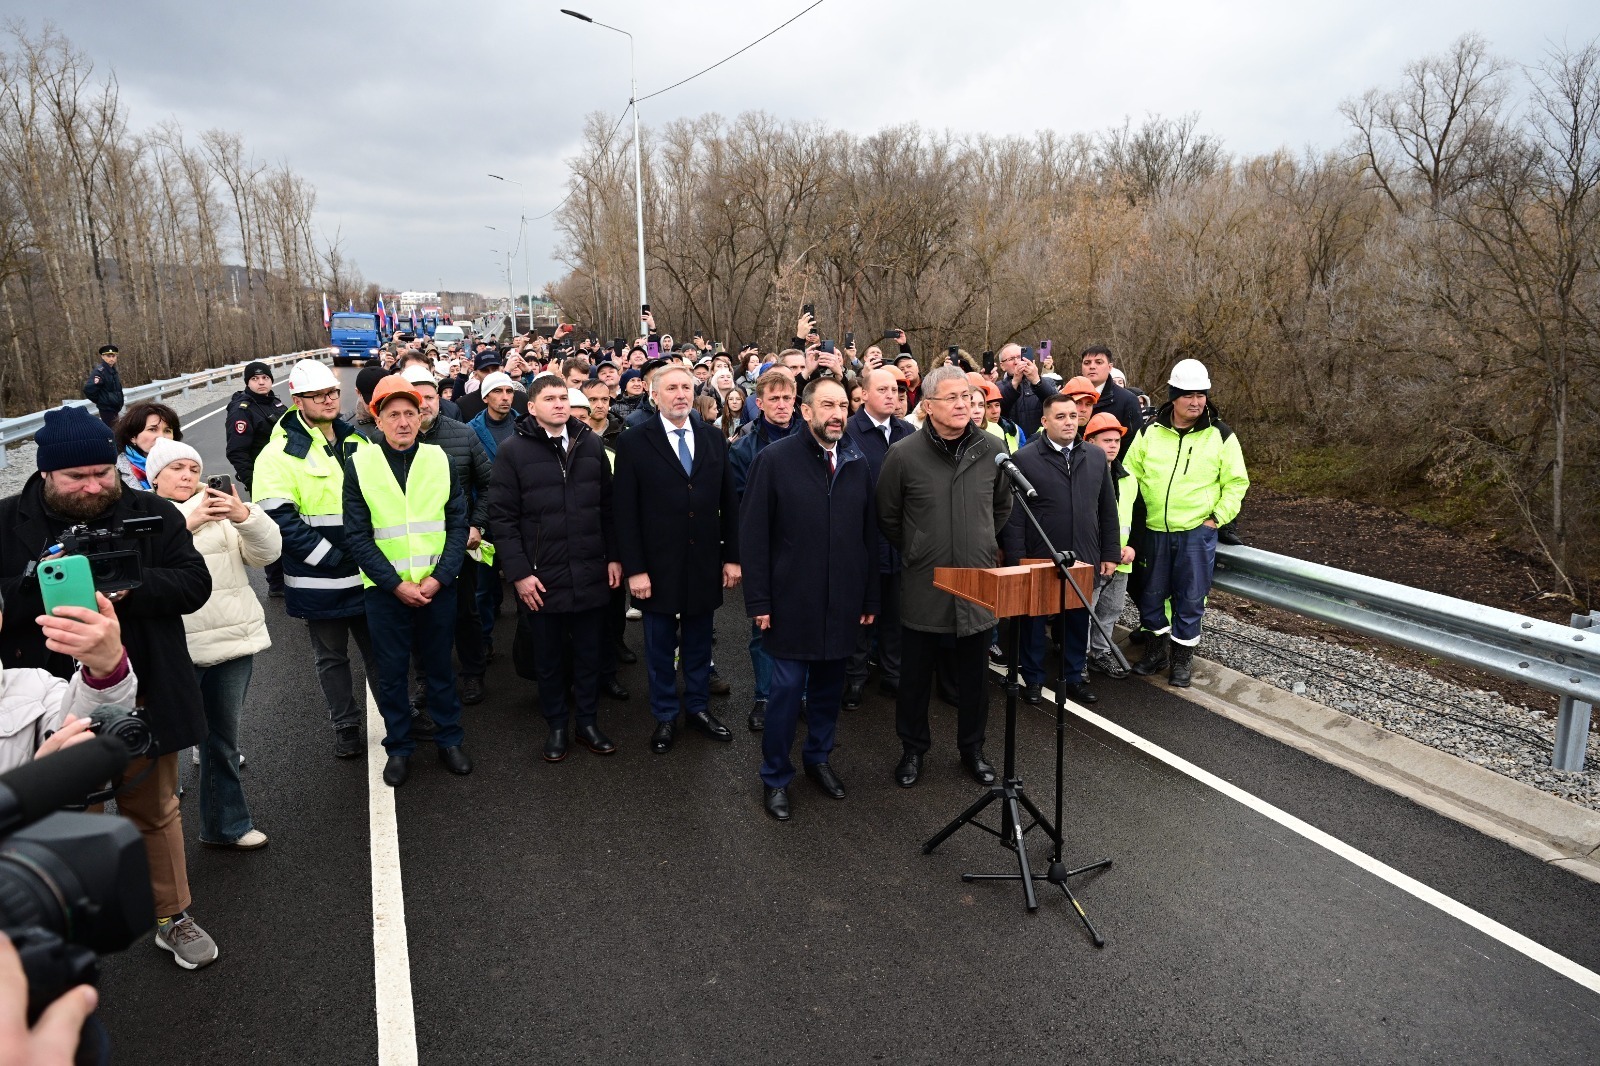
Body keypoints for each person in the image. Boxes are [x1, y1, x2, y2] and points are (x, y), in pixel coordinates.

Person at [0, 405, 216, 969]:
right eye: (77, 477)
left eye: (104, 472)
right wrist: (46, 583)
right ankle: (68, 933)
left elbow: (195, 583)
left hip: (145, 691)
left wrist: (126, 586)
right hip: (48, 703)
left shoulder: (151, 511)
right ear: (46, 473)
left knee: (156, 810)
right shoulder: (5, 522)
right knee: (67, 824)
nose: (95, 486)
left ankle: (173, 915)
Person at [741, 377, 878, 821]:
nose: (837, 413)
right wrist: (759, 602)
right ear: (806, 411)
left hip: (842, 602)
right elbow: (754, 536)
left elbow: (868, 537)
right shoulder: (773, 460)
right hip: (791, 602)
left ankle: (818, 758)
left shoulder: (856, 461)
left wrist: (869, 595)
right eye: (827, 405)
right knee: (783, 692)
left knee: (827, 691)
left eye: (843, 405)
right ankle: (775, 776)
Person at [875, 366, 1010, 788]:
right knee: (915, 677)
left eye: (968, 397)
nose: (963, 404)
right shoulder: (903, 453)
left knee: (975, 678)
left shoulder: (993, 448)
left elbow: (1002, 507)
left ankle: (973, 749)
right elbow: (888, 516)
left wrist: (982, 545)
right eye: (952, 398)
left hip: (976, 580)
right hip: (924, 580)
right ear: (927, 406)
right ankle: (913, 750)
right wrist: (919, 548)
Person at [146, 438, 281, 850]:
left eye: (192, 469)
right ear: (155, 478)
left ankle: (227, 824)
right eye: (175, 469)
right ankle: (153, 842)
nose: (187, 476)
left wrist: (245, 515)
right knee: (158, 750)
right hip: (172, 648)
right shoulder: (143, 514)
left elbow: (268, 554)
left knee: (221, 742)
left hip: (230, 639)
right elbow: (141, 562)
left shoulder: (218, 507)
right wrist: (190, 519)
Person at [343, 376, 471, 786]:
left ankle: (450, 739)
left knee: (438, 668)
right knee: (393, 672)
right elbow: (358, 536)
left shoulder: (440, 460)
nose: (403, 422)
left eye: (410, 413)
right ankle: (399, 747)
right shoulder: (360, 464)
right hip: (386, 591)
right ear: (377, 420)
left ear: (422, 417)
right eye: (393, 414)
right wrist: (394, 584)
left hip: (437, 586)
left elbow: (457, 526)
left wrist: (440, 577)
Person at [488, 375, 621, 761]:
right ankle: (557, 726)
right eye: (550, 399)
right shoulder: (513, 452)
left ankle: (588, 724)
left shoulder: (591, 445)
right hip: (541, 577)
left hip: (591, 570)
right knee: (548, 659)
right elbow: (503, 518)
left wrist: (614, 556)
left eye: (564, 398)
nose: (560, 405)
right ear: (532, 407)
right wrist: (519, 573)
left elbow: (608, 508)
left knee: (589, 654)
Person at [251, 359, 376, 758]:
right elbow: (278, 519)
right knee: (331, 658)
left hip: (369, 573)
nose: (328, 399)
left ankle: (399, 713)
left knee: (384, 651)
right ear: (297, 399)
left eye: (332, 392)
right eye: (318, 394)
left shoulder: (359, 441)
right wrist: (331, 556)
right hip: (320, 578)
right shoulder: (278, 453)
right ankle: (345, 726)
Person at [613, 363, 741, 754]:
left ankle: (698, 708)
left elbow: (729, 503)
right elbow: (624, 511)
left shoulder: (713, 439)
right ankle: (665, 714)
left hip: (703, 560)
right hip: (656, 565)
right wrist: (635, 569)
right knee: (659, 644)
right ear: (655, 395)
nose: (681, 394)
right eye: (671, 388)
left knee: (701, 641)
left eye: (687, 387)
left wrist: (732, 558)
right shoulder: (634, 441)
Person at [1122, 358, 1249, 687]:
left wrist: (1216, 519)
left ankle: (1181, 659)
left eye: (1201, 395)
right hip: (1152, 529)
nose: (1196, 402)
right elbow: (1129, 474)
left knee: (1191, 597)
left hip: (1195, 532)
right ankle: (1155, 651)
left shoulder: (1220, 434)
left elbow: (1237, 483)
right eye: (1189, 395)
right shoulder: (1150, 431)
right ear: (1173, 396)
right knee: (1151, 594)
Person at [999, 395, 1120, 705]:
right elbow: (1014, 519)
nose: (1069, 421)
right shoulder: (1024, 459)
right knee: (1034, 623)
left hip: (1084, 554)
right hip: (1039, 555)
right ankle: (1034, 678)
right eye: (1061, 416)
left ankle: (1074, 676)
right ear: (1045, 422)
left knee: (1077, 620)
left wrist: (1109, 552)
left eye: (1072, 415)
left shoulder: (1094, 457)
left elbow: (1107, 508)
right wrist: (1017, 561)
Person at [399, 365, 494, 707]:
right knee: (418, 614)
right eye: (415, 398)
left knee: (465, 611)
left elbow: (488, 485)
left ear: (439, 399)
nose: (422, 404)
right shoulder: (388, 443)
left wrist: (476, 524)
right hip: (411, 549)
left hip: (458, 543)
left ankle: (472, 672)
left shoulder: (464, 435)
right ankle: (425, 677)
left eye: (428, 396)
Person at [728, 369, 798, 732]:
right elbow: (742, 505)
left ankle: (801, 695)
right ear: (760, 403)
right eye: (775, 399)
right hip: (767, 549)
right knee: (764, 627)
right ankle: (765, 695)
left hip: (806, 547)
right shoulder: (743, 447)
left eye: (788, 398)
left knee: (805, 621)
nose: (783, 405)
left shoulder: (812, 435)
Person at [843, 368, 915, 708]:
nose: (892, 395)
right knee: (860, 614)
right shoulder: (847, 432)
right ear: (865, 394)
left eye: (896, 390)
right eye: (883, 389)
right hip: (861, 540)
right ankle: (855, 678)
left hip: (901, 540)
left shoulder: (909, 432)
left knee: (896, 613)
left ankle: (893, 674)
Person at [225, 360, 289, 595]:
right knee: (270, 529)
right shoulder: (242, 410)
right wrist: (253, 481)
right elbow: (236, 451)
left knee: (290, 526)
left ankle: (288, 575)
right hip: (264, 481)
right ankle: (276, 583)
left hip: (286, 477)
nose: (261, 382)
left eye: (265, 378)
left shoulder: (275, 402)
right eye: (255, 379)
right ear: (247, 382)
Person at [1083, 412, 1137, 679]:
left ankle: (1100, 653)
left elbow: (1135, 518)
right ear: (1090, 442)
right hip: (1094, 559)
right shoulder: (1082, 476)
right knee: (1085, 610)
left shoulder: (1129, 478)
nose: (1113, 445)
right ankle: (1078, 658)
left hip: (1121, 561)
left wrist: (1132, 547)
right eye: (1107, 440)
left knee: (1111, 609)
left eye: (1116, 440)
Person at [113, 401, 182, 490]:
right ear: (132, 436)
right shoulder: (116, 474)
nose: (161, 437)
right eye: (152, 429)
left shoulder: (184, 464)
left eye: (167, 431)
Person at [996, 343, 1059, 438]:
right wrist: (1015, 382)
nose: (1016, 362)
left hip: (1041, 442)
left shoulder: (1046, 382)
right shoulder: (997, 387)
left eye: (1019, 357)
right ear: (1002, 366)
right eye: (1011, 359)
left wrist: (1036, 381)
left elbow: (1056, 404)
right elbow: (998, 410)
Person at [1081, 345, 1142, 442]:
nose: (1092, 366)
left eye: (1099, 362)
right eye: (1087, 363)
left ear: (1109, 367)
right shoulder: (1070, 396)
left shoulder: (1127, 400)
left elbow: (1132, 443)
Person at [82, 343, 123, 427]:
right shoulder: (100, 371)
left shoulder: (112, 371)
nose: (111, 359)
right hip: (107, 409)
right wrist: (102, 400)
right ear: (102, 357)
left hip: (114, 408)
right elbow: (89, 389)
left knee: (116, 432)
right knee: (113, 434)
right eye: (108, 356)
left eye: (113, 356)